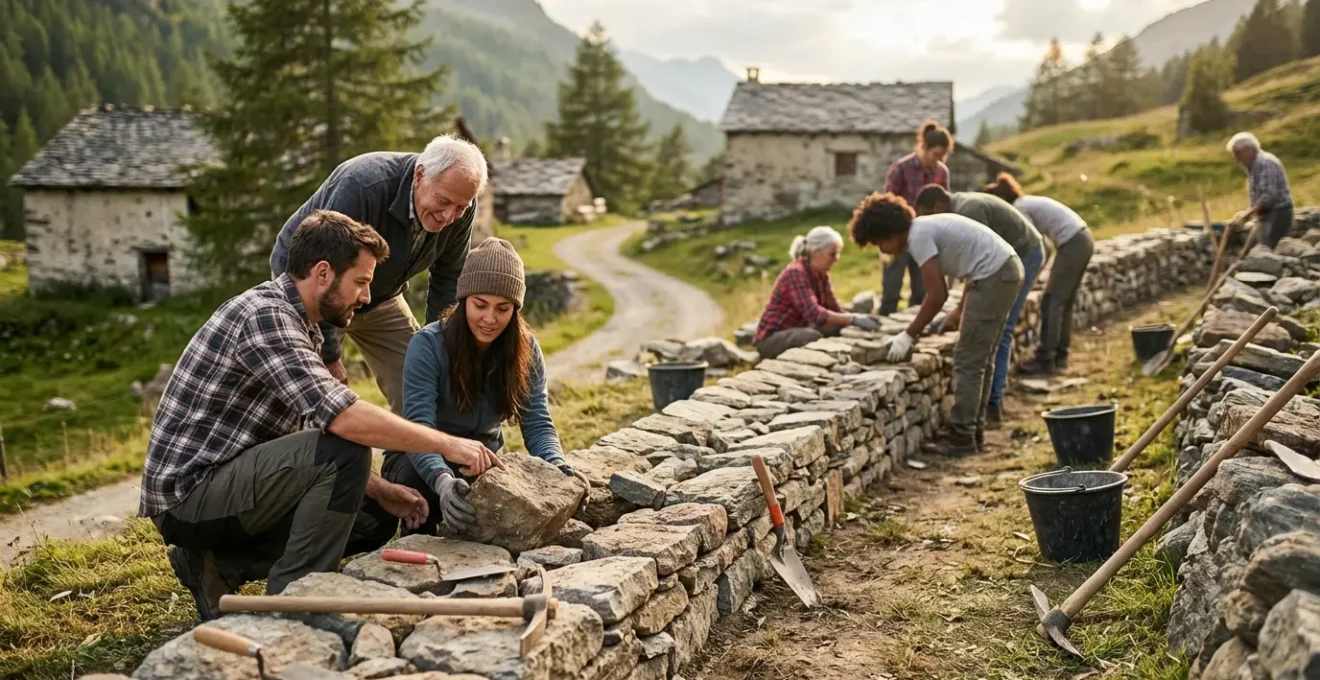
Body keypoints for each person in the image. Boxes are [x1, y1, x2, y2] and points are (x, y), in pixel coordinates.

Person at [142, 210, 505, 621]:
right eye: (361, 283)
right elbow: (342, 420)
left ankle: (219, 566)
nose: (366, 298)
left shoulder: (302, 324)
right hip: (189, 498)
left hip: (231, 482)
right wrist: (447, 443)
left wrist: (380, 490)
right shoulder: (266, 316)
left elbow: (301, 438)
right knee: (346, 450)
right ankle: (299, 604)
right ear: (322, 273)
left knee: (374, 516)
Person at [359, 238, 590, 537]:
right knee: (426, 497)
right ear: (464, 299)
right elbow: (418, 424)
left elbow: (537, 422)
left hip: (483, 463)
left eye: (503, 308)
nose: (490, 319)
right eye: (480, 305)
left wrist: (558, 466)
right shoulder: (428, 344)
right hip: (419, 458)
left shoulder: (526, 348)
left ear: (515, 309)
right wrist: (441, 479)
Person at [270, 134, 488, 414]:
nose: (449, 216)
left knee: (425, 384)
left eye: (460, 207)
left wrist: (441, 348)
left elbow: (449, 277)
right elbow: (322, 274)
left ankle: (409, 457)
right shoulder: (362, 186)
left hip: (381, 293)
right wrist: (329, 356)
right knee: (317, 394)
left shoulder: (460, 205)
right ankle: (308, 455)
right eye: (443, 201)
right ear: (420, 175)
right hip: (313, 286)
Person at [848, 192, 1022, 456]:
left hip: (995, 275)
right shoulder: (925, 227)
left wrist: (908, 335)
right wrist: (958, 312)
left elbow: (937, 294)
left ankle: (962, 438)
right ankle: (973, 431)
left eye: (877, 243)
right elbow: (972, 265)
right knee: (980, 358)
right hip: (1002, 270)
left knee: (968, 360)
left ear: (888, 234)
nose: (881, 250)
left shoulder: (918, 236)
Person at [914, 184, 1044, 425]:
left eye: (926, 214)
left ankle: (992, 405)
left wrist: (959, 310)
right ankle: (983, 413)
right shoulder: (960, 204)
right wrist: (960, 309)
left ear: (938, 206)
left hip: (1023, 255)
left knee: (998, 334)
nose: (926, 220)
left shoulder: (969, 210)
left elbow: (983, 263)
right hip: (1011, 258)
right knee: (987, 338)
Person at [983, 173, 1094, 375]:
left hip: (1073, 242)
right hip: (1082, 237)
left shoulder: (1019, 209)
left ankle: (1046, 358)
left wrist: (1027, 277)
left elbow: (1036, 246)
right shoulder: (1026, 202)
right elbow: (1046, 249)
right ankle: (1060, 354)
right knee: (1064, 301)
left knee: (1051, 301)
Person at [753, 226, 880, 359]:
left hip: (797, 329)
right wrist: (853, 319)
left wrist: (859, 319)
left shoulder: (821, 274)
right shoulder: (796, 272)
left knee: (836, 325)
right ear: (816, 252)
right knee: (812, 337)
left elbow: (834, 308)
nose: (837, 258)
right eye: (832, 254)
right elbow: (814, 314)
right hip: (772, 339)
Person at [879, 120, 954, 316]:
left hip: (926, 237)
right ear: (923, 147)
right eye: (935, 154)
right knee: (892, 286)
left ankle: (914, 327)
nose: (938, 160)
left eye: (942, 156)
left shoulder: (941, 172)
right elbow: (888, 203)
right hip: (899, 235)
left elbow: (943, 206)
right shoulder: (901, 169)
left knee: (922, 289)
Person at [1226, 132, 1294, 250]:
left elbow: (1268, 197)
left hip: (1277, 214)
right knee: (1263, 248)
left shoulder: (1265, 163)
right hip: (1269, 214)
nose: (1237, 160)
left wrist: (1248, 213)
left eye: (1238, 154)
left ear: (1249, 149)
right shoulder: (1255, 165)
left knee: (1267, 250)